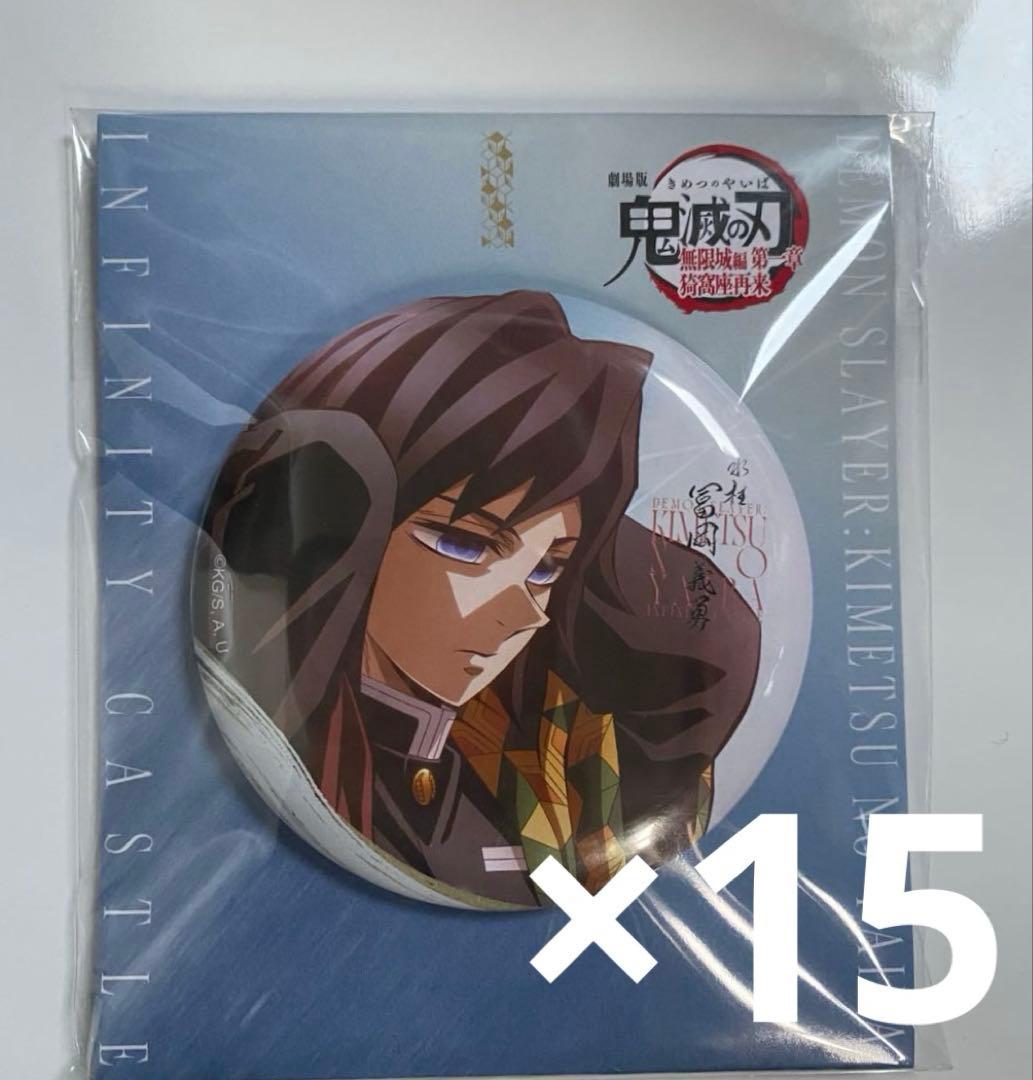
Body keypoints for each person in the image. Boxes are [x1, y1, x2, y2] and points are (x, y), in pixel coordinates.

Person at [193, 290, 761, 907]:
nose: (525, 614)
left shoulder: (515, 798)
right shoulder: (273, 737)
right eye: (465, 545)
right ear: (349, 522)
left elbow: (707, 650)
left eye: (547, 569)